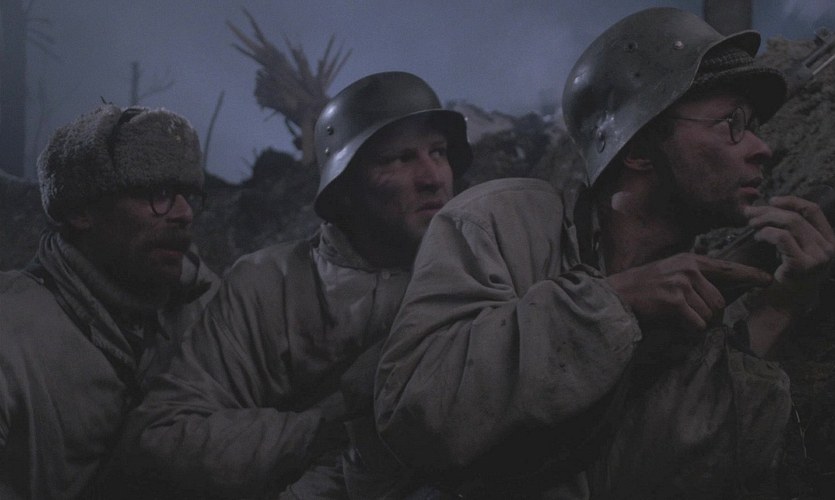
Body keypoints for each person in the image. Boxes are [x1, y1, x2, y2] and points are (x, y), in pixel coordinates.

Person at [374, 7, 835, 499]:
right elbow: (414, 411)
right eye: (733, 123)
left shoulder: (703, 300)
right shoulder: (500, 222)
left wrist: (779, 307)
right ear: (637, 149)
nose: (762, 148)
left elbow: (678, 471)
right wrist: (611, 304)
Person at [116, 71, 472, 498]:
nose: (433, 177)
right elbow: (164, 437)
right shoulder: (268, 284)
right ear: (345, 187)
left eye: (438, 152)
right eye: (398, 159)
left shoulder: (482, 270)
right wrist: (327, 426)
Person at [0, 104, 219, 499]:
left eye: (188, 195)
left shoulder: (208, 307)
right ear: (81, 211)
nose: (184, 213)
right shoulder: (12, 331)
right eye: (158, 194)